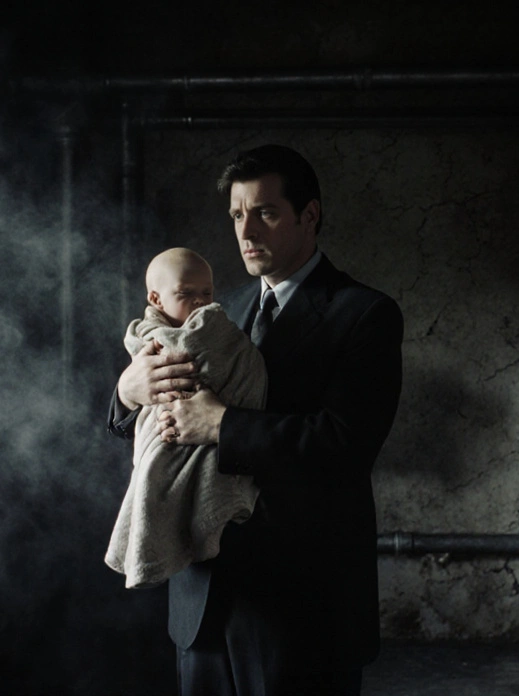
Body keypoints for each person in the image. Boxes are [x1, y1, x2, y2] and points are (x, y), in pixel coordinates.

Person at [108, 144, 404, 696]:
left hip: (302, 606)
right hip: (202, 596)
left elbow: (345, 444)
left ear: (308, 215)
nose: (245, 231)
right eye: (237, 215)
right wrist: (126, 394)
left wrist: (221, 425)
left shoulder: (366, 314)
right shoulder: (215, 309)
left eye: (265, 213)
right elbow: (152, 405)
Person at [104, 247, 266, 589]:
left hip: (270, 554)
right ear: (156, 299)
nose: (200, 302)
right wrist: (127, 393)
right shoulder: (230, 304)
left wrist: (222, 424)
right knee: (155, 475)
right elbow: (131, 410)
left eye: (206, 293)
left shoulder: (215, 322)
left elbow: (339, 438)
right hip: (190, 579)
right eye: (186, 294)